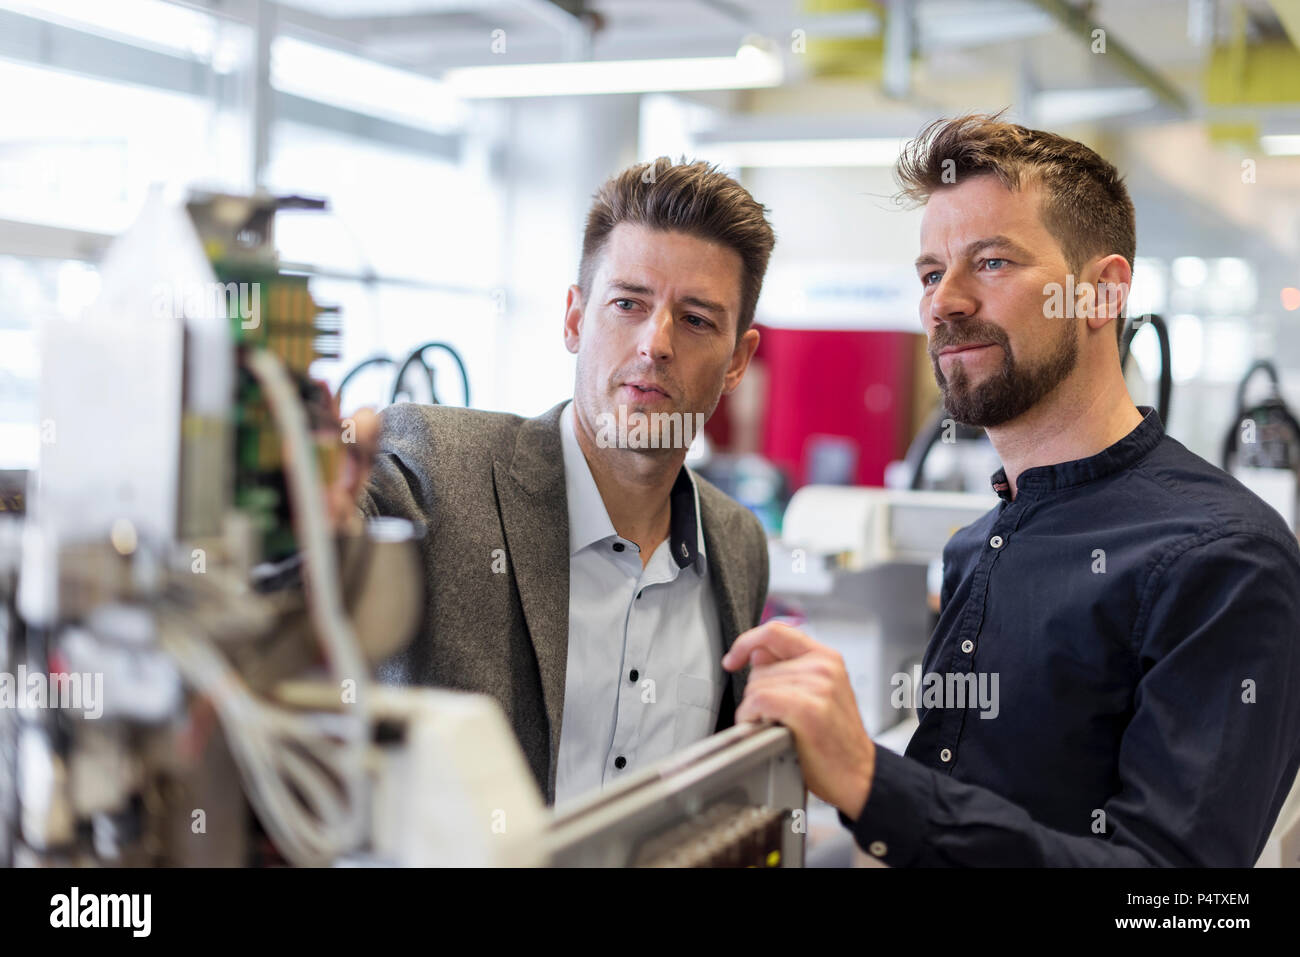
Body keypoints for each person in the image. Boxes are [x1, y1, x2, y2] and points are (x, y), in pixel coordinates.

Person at [724, 114, 1300, 866]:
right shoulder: (977, 548)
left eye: (991, 263)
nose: (945, 302)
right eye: (931, 273)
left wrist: (872, 779)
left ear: (1101, 294)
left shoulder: (1226, 560)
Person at [343, 158, 773, 806]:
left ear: (738, 359)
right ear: (574, 319)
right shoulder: (437, 469)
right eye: (628, 303)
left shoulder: (738, 546)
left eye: (696, 319)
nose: (655, 343)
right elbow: (294, 565)